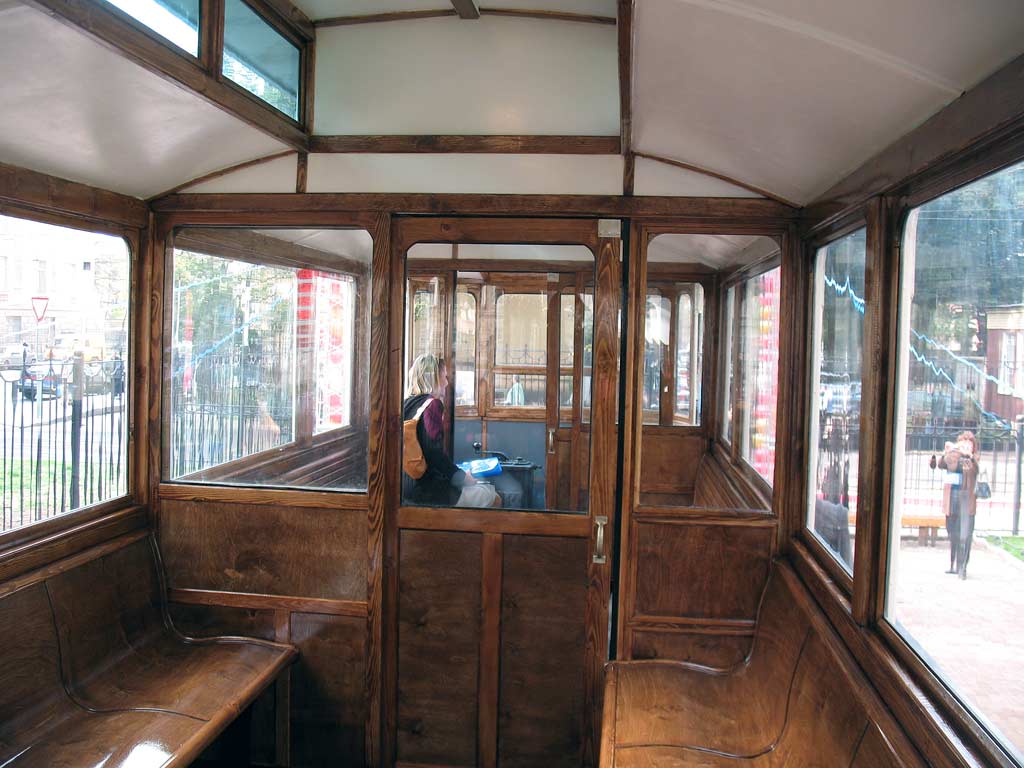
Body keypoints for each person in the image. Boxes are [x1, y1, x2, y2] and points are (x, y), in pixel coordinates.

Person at [402, 353, 475, 505]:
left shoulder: (406, 403)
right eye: (444, 376)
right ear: (433, 378)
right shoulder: (433, 405)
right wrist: (462, 477)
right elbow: (434, 453)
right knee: (491, 497)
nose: (447, 383)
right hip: (426, 490)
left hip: (405, 486)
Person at [932, 431, 980, 579]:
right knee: (952, 532)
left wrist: (968, 456)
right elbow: (941, 465)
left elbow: (973, 470)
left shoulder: (974, 458)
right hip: (952, 498)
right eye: (963, 443)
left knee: (964, 534)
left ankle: (962, 567)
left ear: (973, 446)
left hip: (966, 499)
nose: (966, 446)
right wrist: (948, 451)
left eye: (969, 443)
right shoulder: (953, 455)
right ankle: (953, 564)